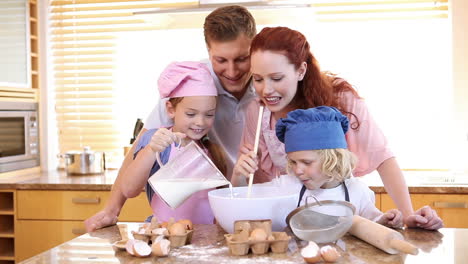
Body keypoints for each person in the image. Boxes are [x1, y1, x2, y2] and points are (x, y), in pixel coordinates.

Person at [233, 26, 443, 230]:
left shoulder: (341, 100)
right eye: (258, 79)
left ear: (301, 70)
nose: (266, 90)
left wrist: (408, 215)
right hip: (290, 220)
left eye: (277, 78)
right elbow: (258, 177)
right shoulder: (258, 111)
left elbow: (382, 158)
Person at [84, 5, 257, 231]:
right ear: (208, 50)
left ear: (254, 48)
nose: (232, 71)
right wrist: (112, 209)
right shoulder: (191, 82)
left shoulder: (268, 82)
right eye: (221, 60)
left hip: (246, 197)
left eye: (242, 59)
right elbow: (142, 145)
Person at [120, 61, 226, 224]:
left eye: (209, 115)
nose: (200, 122)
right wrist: (151, 150)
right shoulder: (159, 142)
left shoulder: (211, 150)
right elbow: (128, 189)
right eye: (191, 114)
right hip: (168, 238)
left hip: (205, 241)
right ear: (170, 109)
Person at [268, 106, 403, 227]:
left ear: (334, 160)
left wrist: (386, 219)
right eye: (293, 162)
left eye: (307, 162)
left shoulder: (357, 190)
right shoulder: (287, 188)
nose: (297, 170)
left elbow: (373, 221)